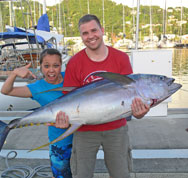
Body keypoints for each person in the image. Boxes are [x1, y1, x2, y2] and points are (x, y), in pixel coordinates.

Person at [61, 14, 150, 178]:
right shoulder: (74, 62)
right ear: (81, 36)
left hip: (116, 130)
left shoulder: (121, 58)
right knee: (81, 175)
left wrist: (139, 112)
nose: (90, 36)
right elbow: (68, 99)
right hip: (83, 131)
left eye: (94, 30)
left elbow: (130, 96)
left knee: (121, 174)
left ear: (102, 31)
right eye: (85, 33)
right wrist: (63, 119)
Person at [1, 48, 73, 178]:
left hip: (82, 139)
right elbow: (6, 91)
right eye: (46, 66)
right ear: (40, 66)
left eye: (56, 66)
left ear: (61, 65)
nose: (51, 70)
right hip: (59, 142)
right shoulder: (37, 88)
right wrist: (14, 73)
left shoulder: (71, 78)